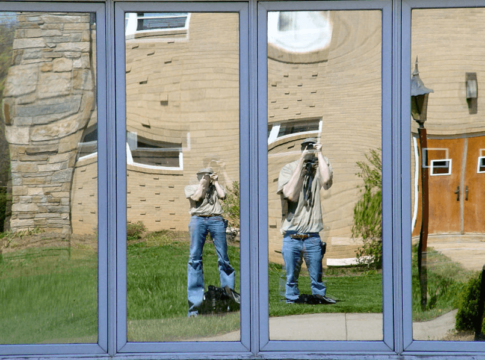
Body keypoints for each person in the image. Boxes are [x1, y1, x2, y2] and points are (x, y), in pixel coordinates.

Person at [277, 138, 336, 304]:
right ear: (301, 149)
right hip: (291, 234)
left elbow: (326, 180)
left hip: (312, 235)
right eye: (306, 147)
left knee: (317, 274)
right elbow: (290, 194)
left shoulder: (321, 165)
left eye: (312, 146)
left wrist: (320, 153)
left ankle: (319, 297)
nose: (309, 150)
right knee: (290, 275)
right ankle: (291, 299)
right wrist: (302, 162)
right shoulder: (289, 168)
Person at [184, 167, 236, 316]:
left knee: (224, 260)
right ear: (198, 176)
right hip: (197, 220)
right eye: (204, 175)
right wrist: (203, 183)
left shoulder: (215, 187)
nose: (207, 177)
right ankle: (195, 307)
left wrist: (216, 182)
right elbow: (197, 197)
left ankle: (228, 301)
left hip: (216, 219)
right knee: (194, 260)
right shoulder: (191, 187)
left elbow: (223, 195)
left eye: (209, 174)